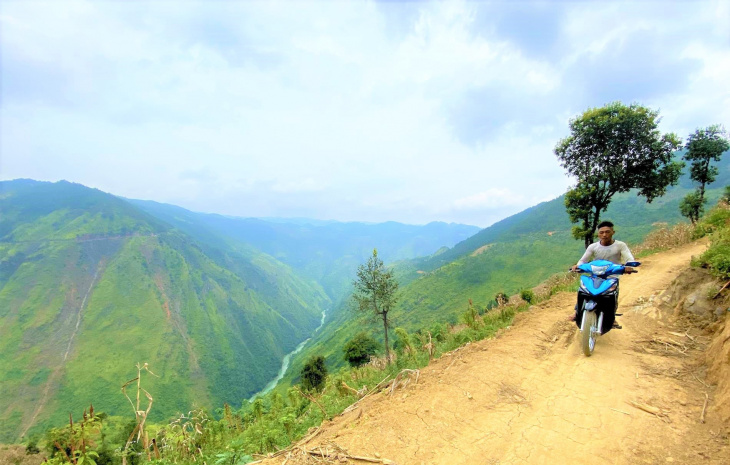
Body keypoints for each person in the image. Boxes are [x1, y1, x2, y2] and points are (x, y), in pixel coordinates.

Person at [569, 221, 636, 326]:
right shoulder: (593, 247)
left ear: (613, 232)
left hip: (612, 276)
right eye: (601, 232)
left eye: (607, 232)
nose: (604, 235)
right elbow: (583, 260)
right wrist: (578, 266)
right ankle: (577, 312)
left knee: (612, 295)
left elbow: (629, 258)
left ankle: (612, 317)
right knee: (583, 290)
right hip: (595, 275)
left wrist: (629, 267)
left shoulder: (620, 245)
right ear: (598, 234)